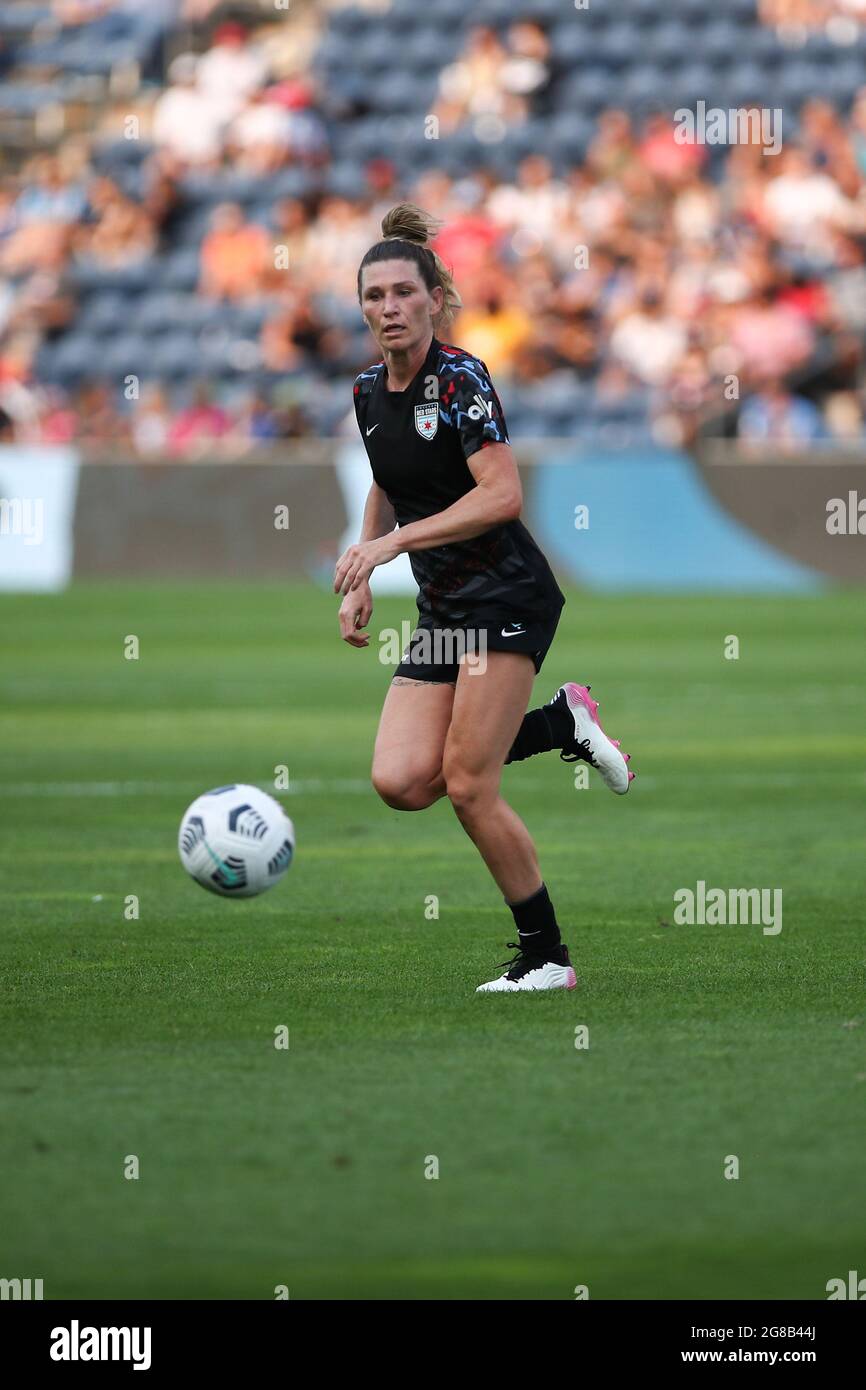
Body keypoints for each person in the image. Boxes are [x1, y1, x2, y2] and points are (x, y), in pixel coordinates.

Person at [334, 203, 634, 994]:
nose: (389, 308)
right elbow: (386, 479)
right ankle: (560, 723)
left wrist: (394, 544)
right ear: (361, 306)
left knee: (468, 785)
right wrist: (363, 571)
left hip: (506, 594)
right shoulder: (368, 390)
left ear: (435, 297)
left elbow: (501, 495)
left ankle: (547, 958)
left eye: (404, 291)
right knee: (402, 781)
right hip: (444, 611)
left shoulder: (461, 378)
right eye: (375, 296)